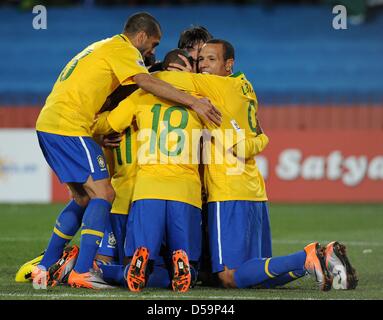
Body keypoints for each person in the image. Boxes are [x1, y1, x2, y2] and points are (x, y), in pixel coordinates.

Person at [32, 11, 221, 290]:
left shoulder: (100, 47)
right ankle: (82, 270)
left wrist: (100, 130)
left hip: (51, 123)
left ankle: (45, 266)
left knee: (83, 198)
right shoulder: (123, 48)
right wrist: (193, 102)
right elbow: (146, 82)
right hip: (69, 126)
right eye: (154, 44)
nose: (152, 51)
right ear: (141, 36)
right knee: (105, 193)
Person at [91, 49, 208, 293]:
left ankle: (99, 269)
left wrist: (96, 128)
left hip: (147, 189)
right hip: (185, 190)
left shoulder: (142, 96)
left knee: (136, 260)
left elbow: (107, 124)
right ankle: (181, 264)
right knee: (190, 268)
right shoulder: (201, 100)